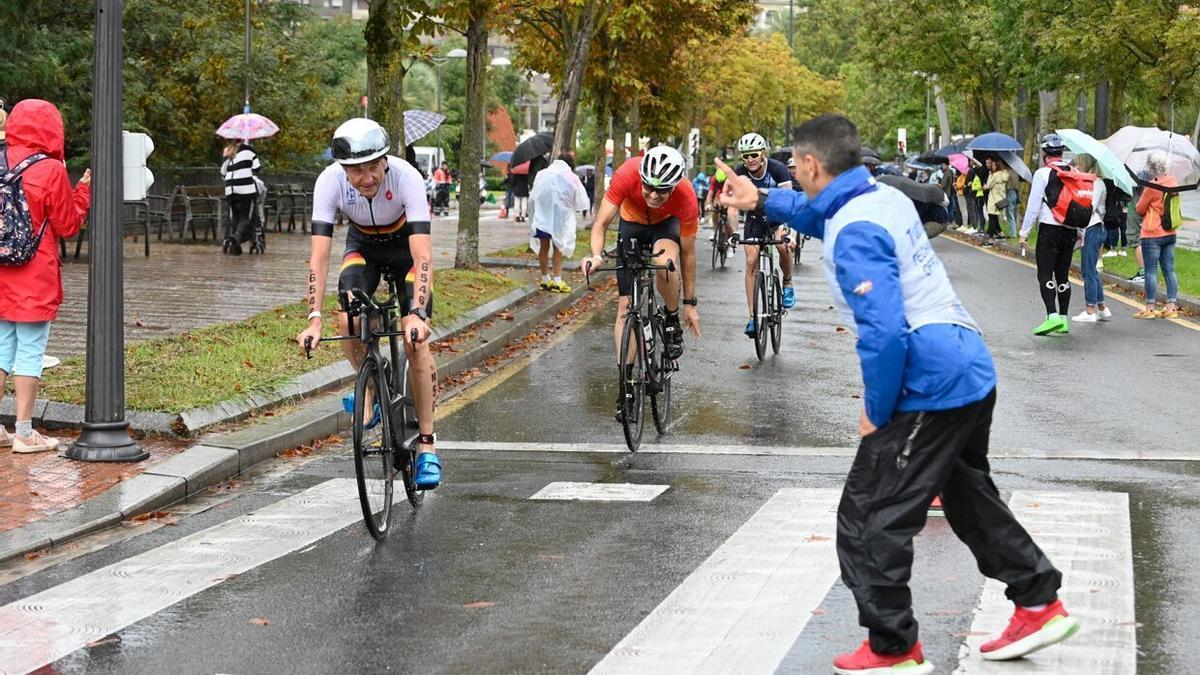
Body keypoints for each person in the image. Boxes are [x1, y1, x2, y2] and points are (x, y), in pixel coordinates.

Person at [716, 114, 1076, 675]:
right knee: (967, 497)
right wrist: (760, 198)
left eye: (798, 169)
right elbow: (817, 211)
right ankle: (1038, 600)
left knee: (867, 515)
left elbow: (882, 333)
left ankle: (893, 646)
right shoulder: (881, 197)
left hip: (927, 378)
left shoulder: (856, 232)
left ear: (810, 166)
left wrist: (875, 411)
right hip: (968, 363)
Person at [294, 118, 442, 488]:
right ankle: (373, 385)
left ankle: (427, 446)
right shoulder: (328, 182)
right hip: (364, 247)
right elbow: (319, 258)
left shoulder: (407, 177)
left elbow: (423, 255)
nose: (366, 178)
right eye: (356, 171)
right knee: (347, 318)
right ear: (343, 170)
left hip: (405, 248)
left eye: (373, 167)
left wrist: (418, 314)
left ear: (385, 161)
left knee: (415, 343)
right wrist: (314, 319)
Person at [581, 147, 701, 421]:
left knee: (665, 263)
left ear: (674, 186)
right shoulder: (626, 174)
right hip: (632, 223)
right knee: (625, 306)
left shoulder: (686, 197)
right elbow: (600, 224)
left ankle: (669, 320)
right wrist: (596, 255)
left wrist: (689, 304)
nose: (654, 195)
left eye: (663, 191)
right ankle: (625, 388)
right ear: (641, 178)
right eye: (649, 187)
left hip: (664, 226)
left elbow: (689, 254)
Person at [0, 99, 91, 453]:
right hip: (34, 274)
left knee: (2, 348)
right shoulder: (50, 169)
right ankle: (23, 432)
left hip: (1, 270)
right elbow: (68, 225)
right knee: (30, 352)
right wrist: (82, 189)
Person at [727, 132, 796, 337]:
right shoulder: (739, 173)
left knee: (782, 246)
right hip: (754, 220)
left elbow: (789, 201)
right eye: (745, 156)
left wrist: (789, 232)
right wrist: (732, 233)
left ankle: (788, 283)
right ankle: (751, 317)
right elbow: (732, 209)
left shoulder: (778, 169)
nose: (750, 160)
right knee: (751, 261)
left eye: (754, 155)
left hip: (777, 217)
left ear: (763, 154)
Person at [1019, 134, 1081, 336]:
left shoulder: (1042, 174)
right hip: (1070, 229)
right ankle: (1063, 318)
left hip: (1049, 228)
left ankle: (1051, 316)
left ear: (1045, 153)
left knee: (1045, 273)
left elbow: (1034, 206)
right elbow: (1081, 204)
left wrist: (1024, 232)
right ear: (1062, 152)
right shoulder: (1075, 172)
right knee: (1063, 274)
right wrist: (1081, 231)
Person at [529, 154, 589, 292]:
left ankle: (545, 279)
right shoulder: (571, 177)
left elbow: (534, 194)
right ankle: (557, 280)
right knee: (558, 248)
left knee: (543, 248)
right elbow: (580, 199)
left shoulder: (542, 174)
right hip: (560, 220)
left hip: (542, 217)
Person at [1133, 152, 1181, 319]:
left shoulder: (1152, 186)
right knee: (1169, 270)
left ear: (1152, 167)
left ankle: (1150, 307)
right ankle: (1171, 306)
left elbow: (1139, 209)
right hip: (1170, 231)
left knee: (1151, 271)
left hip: (1152, 233)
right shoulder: (1173, 182)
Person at [1070, 154, 1112, 323]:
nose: (1077, 167)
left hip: (1093, 228)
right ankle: (1102, 308)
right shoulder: (1094, 182)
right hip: (1093, 228)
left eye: (1079, 164)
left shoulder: (1097, 183)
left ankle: (1090, 310)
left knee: (1088, 270)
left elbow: (1089, 206)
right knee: (1092, 270)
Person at [220, 139, 261, 255]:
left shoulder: (228, 151)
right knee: (244, 216)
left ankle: (234, 247)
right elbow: (257, 168)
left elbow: (223, 172)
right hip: (245, 188)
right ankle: (236, 237)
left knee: (235, 217)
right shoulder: (250, 150)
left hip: (230, 189)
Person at [983, 157, 1009, 245]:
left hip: (993, 199)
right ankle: (1000, 233)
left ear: (997, 166)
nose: (992, 166)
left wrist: (990, 174)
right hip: (1000, 198)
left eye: (994, 165)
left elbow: (988, 185)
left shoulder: (995, 175)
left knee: (992, 219)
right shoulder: (1004, 174)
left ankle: (991, 238)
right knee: (994, 218)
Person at [1004, 160, 1021, 238]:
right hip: (1015, 192)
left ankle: (1013, 233)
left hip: (1010, 191)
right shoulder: (1016, 172)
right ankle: (1012, 232)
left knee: (1009, 213)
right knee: (1011, 212)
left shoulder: (1008, 172)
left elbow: (1005, 182)